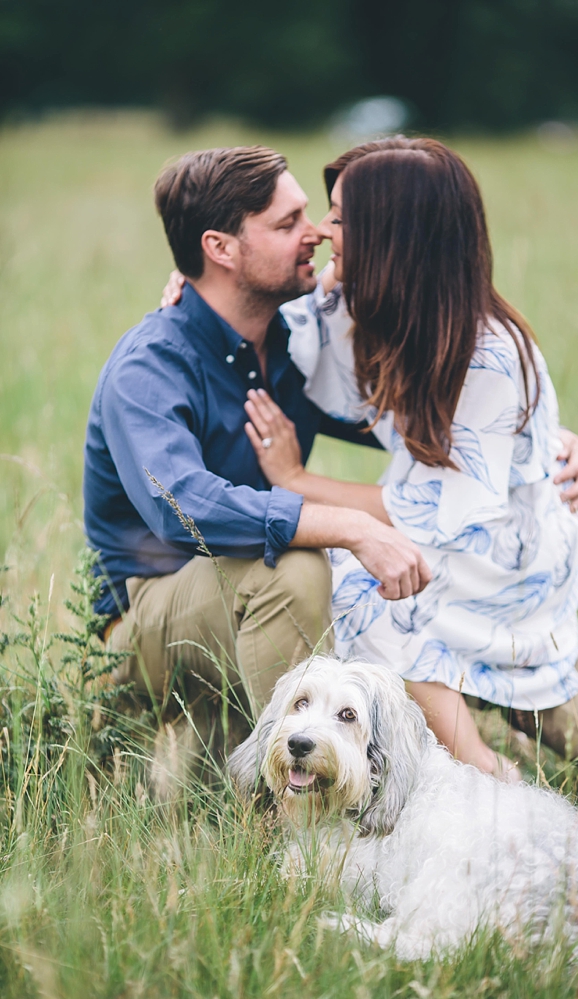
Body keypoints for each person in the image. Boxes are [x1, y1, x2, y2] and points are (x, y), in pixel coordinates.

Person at [234, 137, 578, 795]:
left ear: (393, 238)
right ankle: (443, 761)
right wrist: (198, 286)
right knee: (365, 571)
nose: (324, 232)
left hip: (503, 558)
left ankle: (484, 780)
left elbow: (427, 510)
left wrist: (295, 481)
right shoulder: (381, 309)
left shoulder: (487, 357)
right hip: (461, 531)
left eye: (343, 219)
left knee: (363, 583)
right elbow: (285, 326)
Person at [83, 145, 431, 764]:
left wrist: (531, 437)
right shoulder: (150, 365)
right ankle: (297, 817)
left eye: (312, 216)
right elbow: (182, 506)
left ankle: (399, 765)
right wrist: (351, 527)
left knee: (394, 563)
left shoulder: (295, 341)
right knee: (295, 569)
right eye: (288, 223)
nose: (318, 233)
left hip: (234, 608)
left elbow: (408, 418)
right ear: (220, 248)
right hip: (145, 618)